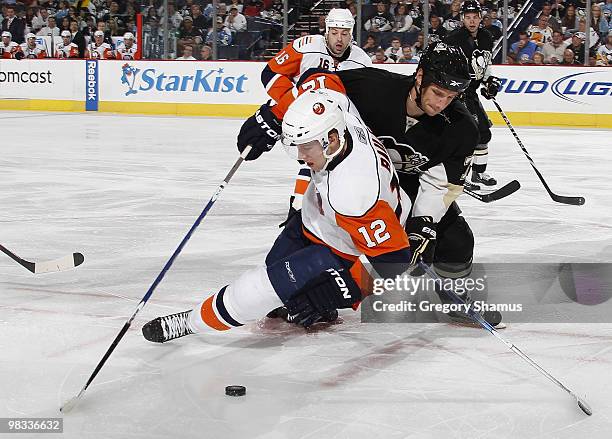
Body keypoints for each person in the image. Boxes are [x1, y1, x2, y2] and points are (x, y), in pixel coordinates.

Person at [234, 41, 503, 327]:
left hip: (407, 190)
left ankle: (455, 299)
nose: (441, 104)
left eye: (451, 96)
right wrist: (276, 114)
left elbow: (442, 184)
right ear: (420, 76)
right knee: (304, 254)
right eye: (438, 92)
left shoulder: (462, 127)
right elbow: (319, 85)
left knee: (457, 239)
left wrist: (424, 222)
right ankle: (313, 289)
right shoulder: (373, 87)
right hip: (347, 180)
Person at [142, 89, 426, 342]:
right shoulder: (340, 112)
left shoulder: (353, 193)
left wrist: (345, 291)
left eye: (306, 146)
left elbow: (393, 261)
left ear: (331, 139)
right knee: (276, 273)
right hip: (316, 219)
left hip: (341, 246)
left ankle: (190, 323)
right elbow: (322, 84)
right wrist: (270, 116)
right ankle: (311, 303)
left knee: (260, 288)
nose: (301, 156)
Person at [260, 8, 372, 212]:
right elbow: (270, 72)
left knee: (334, 162)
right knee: (312, 155)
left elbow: (364, 98)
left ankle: (326, 206)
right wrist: (291, 102)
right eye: (335, 32)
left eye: (345, 33)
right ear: (326, 31)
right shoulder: (306, 47)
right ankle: (298, 205)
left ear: (351, 34)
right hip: (307, 118)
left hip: (340, 121)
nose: (339, 39)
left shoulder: (361, 61)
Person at [445, 0, 500, 190]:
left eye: (475, 17)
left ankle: (478, 173)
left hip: (471, 93)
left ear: (480, 18)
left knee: (483, 133)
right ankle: (458, 176)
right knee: (467, 135)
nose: (472, 21)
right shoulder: (454, 38)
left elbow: (485, 64)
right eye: (468, 17)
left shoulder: (486, 36)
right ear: (462, 18)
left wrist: (489, 81)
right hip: (455, 93)